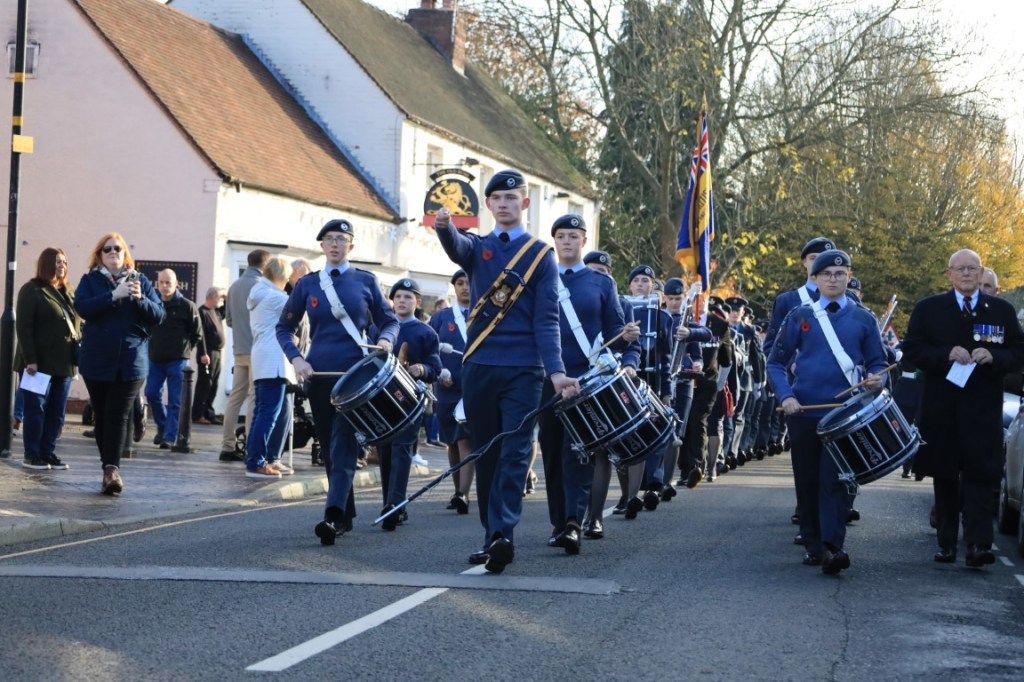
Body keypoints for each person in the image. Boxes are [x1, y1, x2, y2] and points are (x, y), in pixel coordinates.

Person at [432, 169, 579, 574]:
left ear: (525, 204)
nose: (503, 204)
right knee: (487, 454)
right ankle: (491, 535)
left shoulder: (540, 256)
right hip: (479, 364)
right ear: (489, 205)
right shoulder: (477, 249)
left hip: (524, 370)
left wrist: (557, 373)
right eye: (496, 198)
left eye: (511, 198)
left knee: (515, 452)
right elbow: (457, 246)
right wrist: (444, 227)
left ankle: (503, 535)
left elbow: (547, 321)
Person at [277, 219, 399, 545]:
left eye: (341, 240)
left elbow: (389, 321)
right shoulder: (307, 285)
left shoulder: (365, 281)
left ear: (351, 246)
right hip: (319, 376)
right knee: (330, 448)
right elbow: (283, 328)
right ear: (322, 246)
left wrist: (386, 340)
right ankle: (345, 514)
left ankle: (331, 516)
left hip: (355, 376)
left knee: (343, 444)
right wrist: (297, 359)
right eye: (329, 239)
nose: (335, 245)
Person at [768, 249, 888, 575]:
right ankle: (812, 542)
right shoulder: (800, 316)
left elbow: (878, 362)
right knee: (807, 480)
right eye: (827, 275)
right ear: (816, 278)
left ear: (848, 276)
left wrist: (878, 380)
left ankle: (833, 546)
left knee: (834, 481)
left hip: (845, 414)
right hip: (804, 411)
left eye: (840, 274)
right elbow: (776, 362)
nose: (833, 279)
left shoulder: (864, 318)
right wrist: (786, 395)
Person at [902, 249, 1024, 567]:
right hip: (942, 408)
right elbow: (912, 350)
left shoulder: (1000, 310)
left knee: (981, 478)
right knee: (945, 476)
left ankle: (978, 545)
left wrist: (994, 357)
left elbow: (1018, 351)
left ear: (981, 272)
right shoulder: (929, 309)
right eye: (961, 269)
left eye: (973, 269)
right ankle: (946, 543)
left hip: (982, 410)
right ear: (949, 274)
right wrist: (945, 354)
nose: (968, 274)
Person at [538, 214, 639, 553]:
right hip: (547, 380)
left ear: (584, 241)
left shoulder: (601, 283)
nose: (567, 241)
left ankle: (573, 522)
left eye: (574, 236)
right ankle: (557, 522)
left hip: (586, 382)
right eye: (561, 235)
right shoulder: (540, 279)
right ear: (555, 241)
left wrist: (626, 343)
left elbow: (615, 334)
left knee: (579, 452)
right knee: (551, 453)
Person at [74, 233, 165, 494]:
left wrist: (140, 299)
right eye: (107, 249)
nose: (113, 252)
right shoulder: (90, 280)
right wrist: (112, 295)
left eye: (118, 248)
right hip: (96, 361)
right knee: (102, 415)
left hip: (131, 361)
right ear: (100, 255)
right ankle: (108, 466)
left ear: (125, 253)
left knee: (116, 415)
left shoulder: (141, 281)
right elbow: (82, 307)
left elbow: (158, 315)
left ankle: (111, 470)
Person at [376, 278, 442, 530]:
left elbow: (436, 368)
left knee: (403, 450)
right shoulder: (379, 329)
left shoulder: (426, 332)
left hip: (410, 400)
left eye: (408, 297)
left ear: (417, 302)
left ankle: (393, 506)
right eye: (398, 296)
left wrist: (421, 368)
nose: (402, 301)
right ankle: (391, 504)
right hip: (382, 399)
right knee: (385, 452)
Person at [15, 247, 81, 470]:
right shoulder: (32, 290)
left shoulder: (68, 291)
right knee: (36, 411)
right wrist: (30, 359)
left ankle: (47, 452)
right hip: (38, 364)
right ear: (46, 264)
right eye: (56, 261)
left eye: (64, 261)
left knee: (56, 413)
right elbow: (24, 327)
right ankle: (32, 454)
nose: (61, 265)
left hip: (64, 363)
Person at [429, 269, 475, 514]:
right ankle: (457, 491)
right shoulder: (441, 317)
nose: (465, 287)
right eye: (460, 283)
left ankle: (463, 493)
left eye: (469, 282)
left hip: (473, 388)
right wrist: (439, 372)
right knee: (451, 443)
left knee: (465, 439)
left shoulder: (484, 314)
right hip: (447, 387)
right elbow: (430, 348)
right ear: (454, 287)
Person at [246, 256, 296, 479]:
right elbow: (299, 309)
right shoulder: (276, 297)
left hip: (261, 357)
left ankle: (256, 459)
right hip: (274, 359)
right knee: (268, 414)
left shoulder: (258, 293)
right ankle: (256, 463)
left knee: (261, 413)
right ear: (283, 278)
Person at [145, 269, 206, 449]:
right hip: (155, 359)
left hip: (177, 360)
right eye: (161, 282)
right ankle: (163, 426)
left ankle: (169, 438)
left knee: (175, 401)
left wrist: (185, 350)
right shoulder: (153, 302)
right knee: (151, 393)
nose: (164, 286)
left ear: (176, 283)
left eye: (168, 283)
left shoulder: (187, 306)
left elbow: (197, 333)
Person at [220, 249, 270, 461]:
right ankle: (251, 447)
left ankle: (227, 446)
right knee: (254, 398)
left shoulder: (234, 286)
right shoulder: (262, 286)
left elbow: (229, 320)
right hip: (257, 349)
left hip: (239, 348)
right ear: (265, 265)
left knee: (235, 398)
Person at [193, 286, 225, 424]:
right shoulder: (202, 312)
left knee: (214, 384)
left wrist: (226, 295)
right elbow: (201, 337)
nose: (221, 300)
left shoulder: (216, 312)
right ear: (212, 297)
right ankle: (198, 414)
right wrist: (203, 354)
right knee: (205, 384)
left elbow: (227, 309)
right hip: (208, 353)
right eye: (219, 297)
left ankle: (209, 413)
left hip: (217, 353)